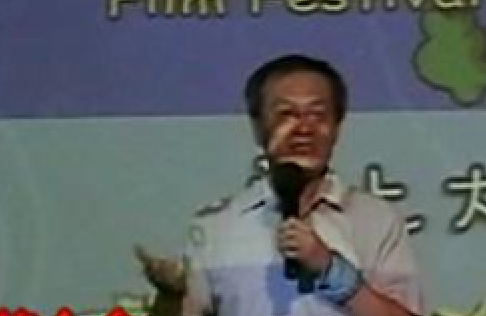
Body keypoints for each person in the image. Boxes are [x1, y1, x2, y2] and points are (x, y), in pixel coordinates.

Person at [137, 54, 424, 316]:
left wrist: (331, 270)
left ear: (337, 127)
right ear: (258, 127)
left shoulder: (377, 221)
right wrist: (169, 297)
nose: (304, 128)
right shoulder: (217, 228)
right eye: (286, 114)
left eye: (318, 115)